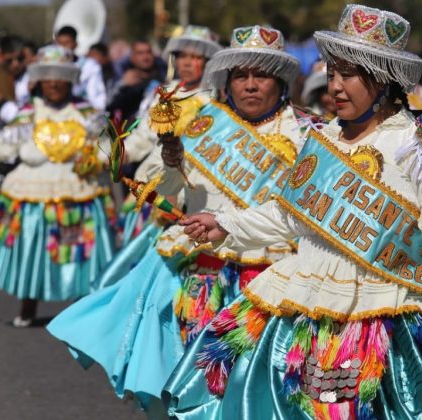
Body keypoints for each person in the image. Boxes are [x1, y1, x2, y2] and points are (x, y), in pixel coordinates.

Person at [165, 5, 422, 418]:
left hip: (393, 297)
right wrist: (224, 223)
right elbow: (291, 214)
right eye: (332, 75)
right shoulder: (324, 137)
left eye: (348, 76)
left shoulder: (418, 143)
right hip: (312, 287)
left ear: (382, 80)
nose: (335, 87)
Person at [47, 25, 306, 413]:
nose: (250, 85)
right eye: (241, 75)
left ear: (281, 80)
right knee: (182, 382)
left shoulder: (307, 135)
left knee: (248, 394)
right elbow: (170, 191)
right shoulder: (203, 122)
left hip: (266, 281)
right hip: (196, 274)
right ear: (228, 80)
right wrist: (169, 165)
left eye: (262, 75)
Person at [0, 46, 116, 327]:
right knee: (32, 250)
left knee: (78, 252)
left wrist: (95, 159)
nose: (53, 82)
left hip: (77, 192)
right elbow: (5, 145)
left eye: (60, 76)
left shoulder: (88, 113)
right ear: (38, 80)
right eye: (46, 76)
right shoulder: (28, 113)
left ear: (71, 79)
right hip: (32, 191)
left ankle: (81, 310)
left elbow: (111, 149)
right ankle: (28, 306)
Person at [102, 25, 222, 275]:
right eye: (182, 56)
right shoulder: (166, 94)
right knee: (140, 267)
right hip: (153, 185)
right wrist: (118, 153)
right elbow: (145, 134)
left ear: (209, 61)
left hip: (193, 194)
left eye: (195, 57)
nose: (187, 63)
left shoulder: (216, 101)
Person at [107, 39, 166, 121]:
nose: (145, 57)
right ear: (132, 57)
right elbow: (108, 106)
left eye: (148, 52)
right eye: (140, 53)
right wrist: (122, 84)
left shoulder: (163, 77)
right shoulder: (124, 79)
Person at [54, 25, 107, 110]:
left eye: (66, 43)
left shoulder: (90, 66)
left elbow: (96, 96)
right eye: (59, 44)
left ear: (75, 44)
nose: (62, 48)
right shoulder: (49, 66)